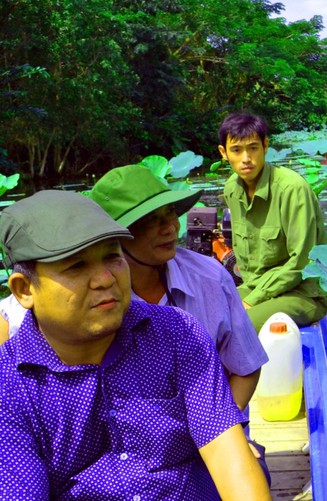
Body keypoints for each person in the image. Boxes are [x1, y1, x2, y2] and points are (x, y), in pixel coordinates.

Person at [0, 190, 271, 500]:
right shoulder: (10, 387)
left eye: (112, 257)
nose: (104, 279)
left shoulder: (177, 332)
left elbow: (227, 455)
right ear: (24, 290)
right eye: (76, 266)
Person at [89, 164, 267, 411]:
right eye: (152, 219)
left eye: (170, 212)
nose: (171, 227)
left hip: (217, 425)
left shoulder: (211, 278)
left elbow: (246, 366)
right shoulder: (95, 297)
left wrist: (222, 433)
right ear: (117, 235)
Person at [218, 112, 327, 331]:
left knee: (241, 326)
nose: (246, 159)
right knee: (205, 314)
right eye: (237, 150)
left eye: (253, 148)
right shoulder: (231, 189)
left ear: (265, 146)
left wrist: (252, 301)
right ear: (224, 153)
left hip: (303, 293)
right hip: (256, 286)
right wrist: (252, 296)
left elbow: (303, 263)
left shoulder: (292, 189)